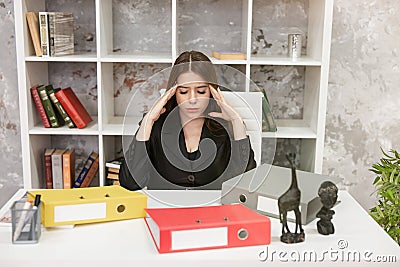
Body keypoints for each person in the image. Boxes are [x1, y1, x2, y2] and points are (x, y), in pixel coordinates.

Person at [119, 50, 256, 190]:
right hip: (166, 210)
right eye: (183, 91)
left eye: (201, 91)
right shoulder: (156, 125)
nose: (192, 100)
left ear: (212, 91)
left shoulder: (225, 127)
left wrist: (236, 122)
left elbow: (246, 186)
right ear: (173, 92)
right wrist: (147, 123)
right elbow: (130, 183)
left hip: (211, 210)